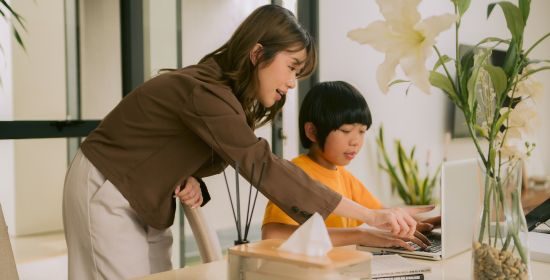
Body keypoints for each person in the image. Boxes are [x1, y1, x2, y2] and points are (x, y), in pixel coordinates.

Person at [63, 5, 426, 280]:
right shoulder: (205, 91)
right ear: (257, 54)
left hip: (145, 198)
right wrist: (371, 216)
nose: (291, 83)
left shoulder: (224, 100)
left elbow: (175, 148)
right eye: (291, 67)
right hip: (108, 186)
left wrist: (191, 179)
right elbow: (262, 165)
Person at [262, 81, 434, 250]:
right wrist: (360, 234)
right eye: (345, 131)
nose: (356, 141)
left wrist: (432, 221)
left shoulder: (344, 176)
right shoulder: (295, 175)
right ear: (312, 132)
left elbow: (382, 215)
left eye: (362, 131)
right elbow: (272, 235)